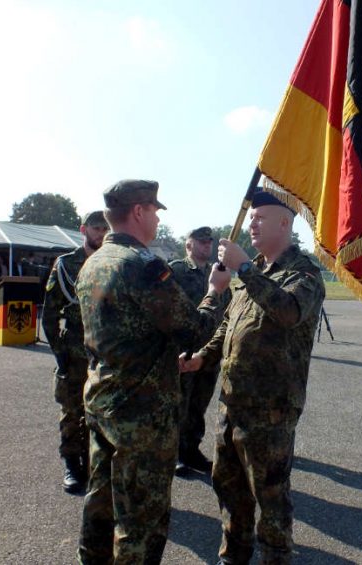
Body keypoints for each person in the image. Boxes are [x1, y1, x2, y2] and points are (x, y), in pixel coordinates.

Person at [75, 179, 231, 564]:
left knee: (101, 501)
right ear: (140, 211)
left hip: (103, 398)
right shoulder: (142, 266)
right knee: (141, 517)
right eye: (156, 211)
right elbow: (192, 329)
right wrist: (215, 292)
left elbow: (126, 331)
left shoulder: (94, 261)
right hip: (141, 412)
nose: (158, 220)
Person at [180, 188, 326, 565]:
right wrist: (201, 357)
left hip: (271, 411)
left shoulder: (304, 273)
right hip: (232, 404)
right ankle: (233, 556)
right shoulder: (256, 273)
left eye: (260, 217)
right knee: (229, 490)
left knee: (271, 497)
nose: (252, 223)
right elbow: (229, 326)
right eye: (251, 217)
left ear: (285, 223)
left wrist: (244, 268)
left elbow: (289, 311)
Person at [41, 211, 110, 494]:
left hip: (105, 351)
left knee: (102, 411)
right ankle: (71, 463)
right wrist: (60, 352)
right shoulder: (66, 264)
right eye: (96, 227)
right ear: (83, 230)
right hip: (74, 349)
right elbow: (49, 313)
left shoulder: (112, 263)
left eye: (106, 227)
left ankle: (95, 464)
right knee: (71, 410)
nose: (102, 233)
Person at [170, 226, 231, 476]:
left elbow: (225, 311)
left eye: (209, 242)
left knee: (199, 404)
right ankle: (175, 454)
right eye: (201, 242)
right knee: (179, 404)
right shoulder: (176, 270)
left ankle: (191, 450)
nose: (207, 245)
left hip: (209, 353)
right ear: (189, 245)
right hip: (183, 351)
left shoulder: (217, 273)